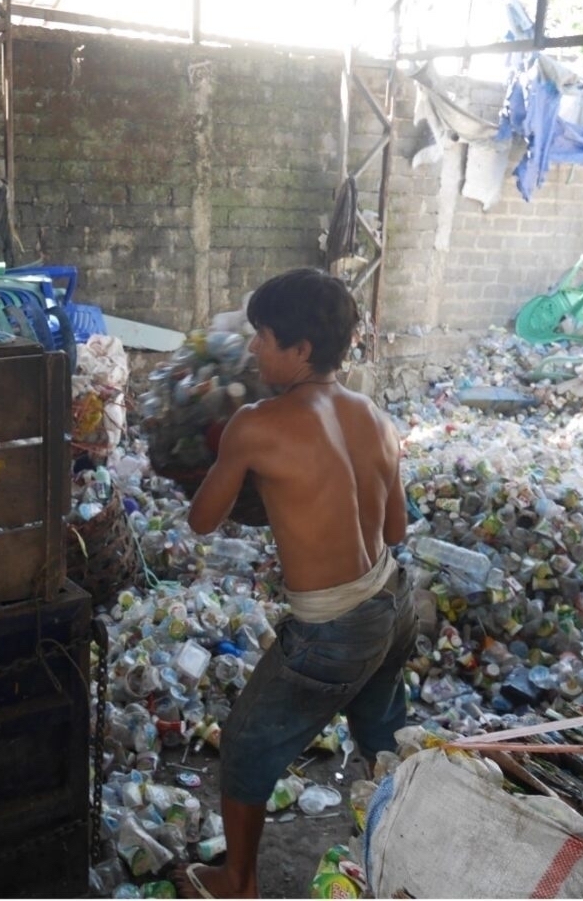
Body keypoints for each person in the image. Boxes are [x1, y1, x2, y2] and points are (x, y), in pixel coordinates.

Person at [174, 267, 415, 900]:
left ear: (301, 350)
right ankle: (410, 858)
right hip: (393, 604)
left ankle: (237, 880)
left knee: (247, 747)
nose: (254, 348)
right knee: (386, 741)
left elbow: (201, 522)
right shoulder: (378, 419)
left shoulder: (254, 424)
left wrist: (230, 456)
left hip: (331, 631)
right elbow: (396, 528)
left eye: (264, 336)